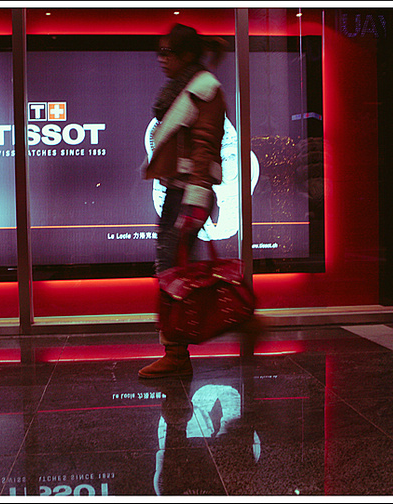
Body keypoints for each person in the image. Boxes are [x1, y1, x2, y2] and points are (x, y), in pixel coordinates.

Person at [138, 24, 228, 379]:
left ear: (187, 55)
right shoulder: (183, 88)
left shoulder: (203, 90)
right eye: (159, 52)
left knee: (173, 271)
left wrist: (196, 197)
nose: (161, 59)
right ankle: (176, 350)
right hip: (180, 191)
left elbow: (206, 145)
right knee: (172, 270)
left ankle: (176, 352)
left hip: (190, 192)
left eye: (168, 53)